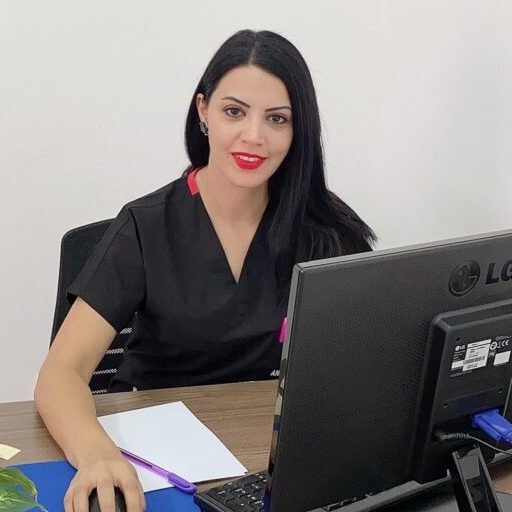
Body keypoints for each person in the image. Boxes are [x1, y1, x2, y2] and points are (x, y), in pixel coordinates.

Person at [34, 29, 376, 512]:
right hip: (153, 459)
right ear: (203, 111)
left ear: (298, 131)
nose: (253, 136)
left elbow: (360, 367)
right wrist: (96, 455)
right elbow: (60, 373)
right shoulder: (147, 225)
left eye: (276, 119)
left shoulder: (324, 231)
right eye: (235, 111)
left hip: (262, 455)